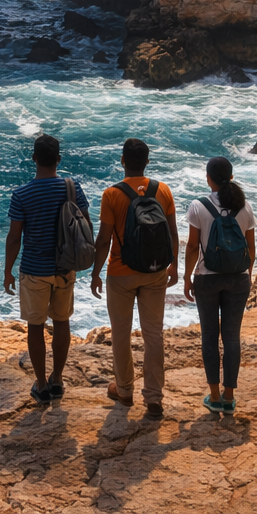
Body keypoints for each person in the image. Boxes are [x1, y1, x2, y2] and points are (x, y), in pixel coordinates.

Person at [89, 138, 180, 420]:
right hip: (154, 273)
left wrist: (94, 272)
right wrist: (174, 266)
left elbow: (104, 240)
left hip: (121, 272)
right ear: (148, 162)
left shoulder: (111, 194)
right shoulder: (162, 189)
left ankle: (125, 391)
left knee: (120, 333)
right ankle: (153, 398)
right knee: (154, 335)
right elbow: (173, 233)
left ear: (122, 161)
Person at [4, 134, 89, 405]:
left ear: (34, 159)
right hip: (65, 268)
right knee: (62, 322)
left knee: (35, 327)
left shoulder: (22, 194)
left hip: (34, 270)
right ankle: (57, 379)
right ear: (59, 159)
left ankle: (40, 385)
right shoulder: (72, 187)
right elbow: (86, 226)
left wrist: (8, 271)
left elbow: (15, 237)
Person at [183, 156, 257, 415]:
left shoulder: (198, 206)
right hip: (238, 278)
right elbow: (251, 248)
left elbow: (192, 247)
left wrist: (187, 276)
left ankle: (214, 396)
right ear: (232, 177)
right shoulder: (245, 207)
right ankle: (229, 396)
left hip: (207, 278)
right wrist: (244, 274)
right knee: (232, 337)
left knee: (209, 336)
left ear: (208, 178)